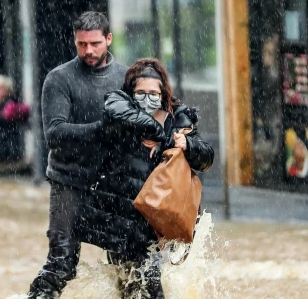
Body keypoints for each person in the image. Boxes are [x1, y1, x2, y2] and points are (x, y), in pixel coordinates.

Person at [76, 58, 214, 298]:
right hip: (121, 219)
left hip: (156, 222)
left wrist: (187, 144)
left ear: (162, 93)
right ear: (131, 92)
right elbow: (114, 110)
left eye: (153, 93)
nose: (147, 98)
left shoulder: (179, 117)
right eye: (141, 92)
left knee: (150, 285)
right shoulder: (119, 110)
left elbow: (206, 158)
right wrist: (157, 132)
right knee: (128, 286)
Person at [28, 12, 129, 298]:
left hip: (115, 182)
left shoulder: (126, 77)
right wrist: (102, 129)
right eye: (82, 44)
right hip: (69, 180)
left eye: (95, 43)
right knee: (61, 263)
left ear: (108, 39)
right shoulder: (59, 79)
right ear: (74, 41)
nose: (88, 51)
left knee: (130, 264)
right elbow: (55, 134)